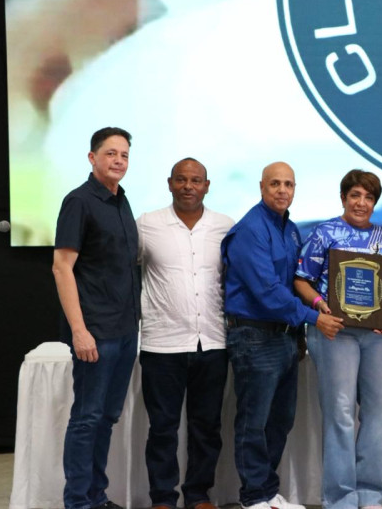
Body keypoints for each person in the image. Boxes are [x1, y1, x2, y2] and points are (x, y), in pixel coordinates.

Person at [222, 162, 344, 509]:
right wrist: (314, 319)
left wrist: (303, 329)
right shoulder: (251, 229)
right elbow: (267, 291)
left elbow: (296, 282)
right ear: (262, 187)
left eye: (288, 184)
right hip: (254, 337)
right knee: (254, 422)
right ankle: (252, 496)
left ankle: (268, 491)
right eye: (275, 184)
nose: (282, 190)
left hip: (285, 337)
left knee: (280, 421)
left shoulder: (289, 229)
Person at [294, 169, 382, 509]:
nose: (361, 203)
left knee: (381, 410)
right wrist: (319, 307)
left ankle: (371, 493)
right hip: (334, 332)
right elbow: (302, 280)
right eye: (355, 196)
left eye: (368, 197)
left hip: (374, 334)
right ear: (344, 198)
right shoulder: (325, 232)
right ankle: (341, 497)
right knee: (341, 412)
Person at [136, 158, 234, 509]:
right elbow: (122, 270)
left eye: (195, 180)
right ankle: (163, 498)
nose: (188, 186)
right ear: (169, 183)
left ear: (207, 186)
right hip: (161, 344)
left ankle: (197, 495)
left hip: (212, 342)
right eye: (181, 180)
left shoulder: (225, 226)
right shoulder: (147, 224)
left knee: (206, 427)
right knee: (162, 428)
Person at [51, 126, 139, 509]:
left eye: (124, 155)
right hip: (95, 331)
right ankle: (78, 502)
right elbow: (61, 267)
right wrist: (79, 331)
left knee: (106, 418)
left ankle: (96, 496)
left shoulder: (122, 201)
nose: (118, 160)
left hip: (124, 329)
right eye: (110, 154)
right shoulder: (79, 201)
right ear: (92, 158)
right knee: (87, 418)